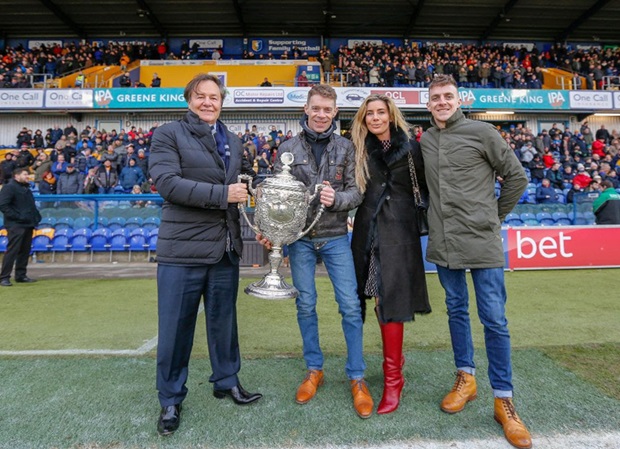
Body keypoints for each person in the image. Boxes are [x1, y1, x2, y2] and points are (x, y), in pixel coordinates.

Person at [420, 75, 531, 449]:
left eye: (447, 96)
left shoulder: (483, 132)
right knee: (455, 310)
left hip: (482, 242)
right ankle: (465, 379)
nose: (442, 102)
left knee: (495, 319)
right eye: (435, 97)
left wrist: (493, 216)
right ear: (428, 102)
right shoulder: (427, 140)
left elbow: (517, 178)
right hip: (445, 243)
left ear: (458, 99)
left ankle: (504, 399)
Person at [148, 73, 260, 437]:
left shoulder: (234, 139)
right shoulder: (168, 134)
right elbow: (167, 183)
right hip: (182, 249)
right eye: (201, 96)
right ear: (188, 99)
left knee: (224, 324)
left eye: (214, 97)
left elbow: (241, 188)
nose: (208, 102)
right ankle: (170, 397)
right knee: (176, 328)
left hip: (225, 247)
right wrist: (222, 195)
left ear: (222, 102)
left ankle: (226, 380)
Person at [262, 84, 373, 419]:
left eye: (328, 109)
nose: (322, 114)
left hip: (337, 236)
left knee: (351, 307)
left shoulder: (348, 146)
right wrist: (273, 233)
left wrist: (335, 200)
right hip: (299, 240)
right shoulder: (287, 147)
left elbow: (357, 192)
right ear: (306, 109)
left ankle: (357, 376)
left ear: (335, 111)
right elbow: (276, 197)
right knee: (306, 304)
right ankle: (314, 369)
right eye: (316, 108)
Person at [349, 94, 431, 414]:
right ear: (363, 118)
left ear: (391, 114)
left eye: (381, 112)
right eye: (369, 114)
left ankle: (393, 380)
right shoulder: (359, 148)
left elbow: (425, 187)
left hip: (399, 234)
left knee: (390, 301)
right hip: (367, 232)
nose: (375, 118)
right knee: (371, 300)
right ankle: (393, 370)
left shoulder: (411, 147)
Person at [0, 168, 42, 286]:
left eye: (27, 174)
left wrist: (36, 219)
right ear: (16, 176)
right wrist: (18, 217)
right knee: (12, 250)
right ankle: (4, 277)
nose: (27, 176)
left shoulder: (26, 189)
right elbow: (3, 205)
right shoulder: (9, 187)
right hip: (15, 225)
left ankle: (21, 275)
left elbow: (30, 206)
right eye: (25, 174)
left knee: (24, 251)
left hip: (27, 224)